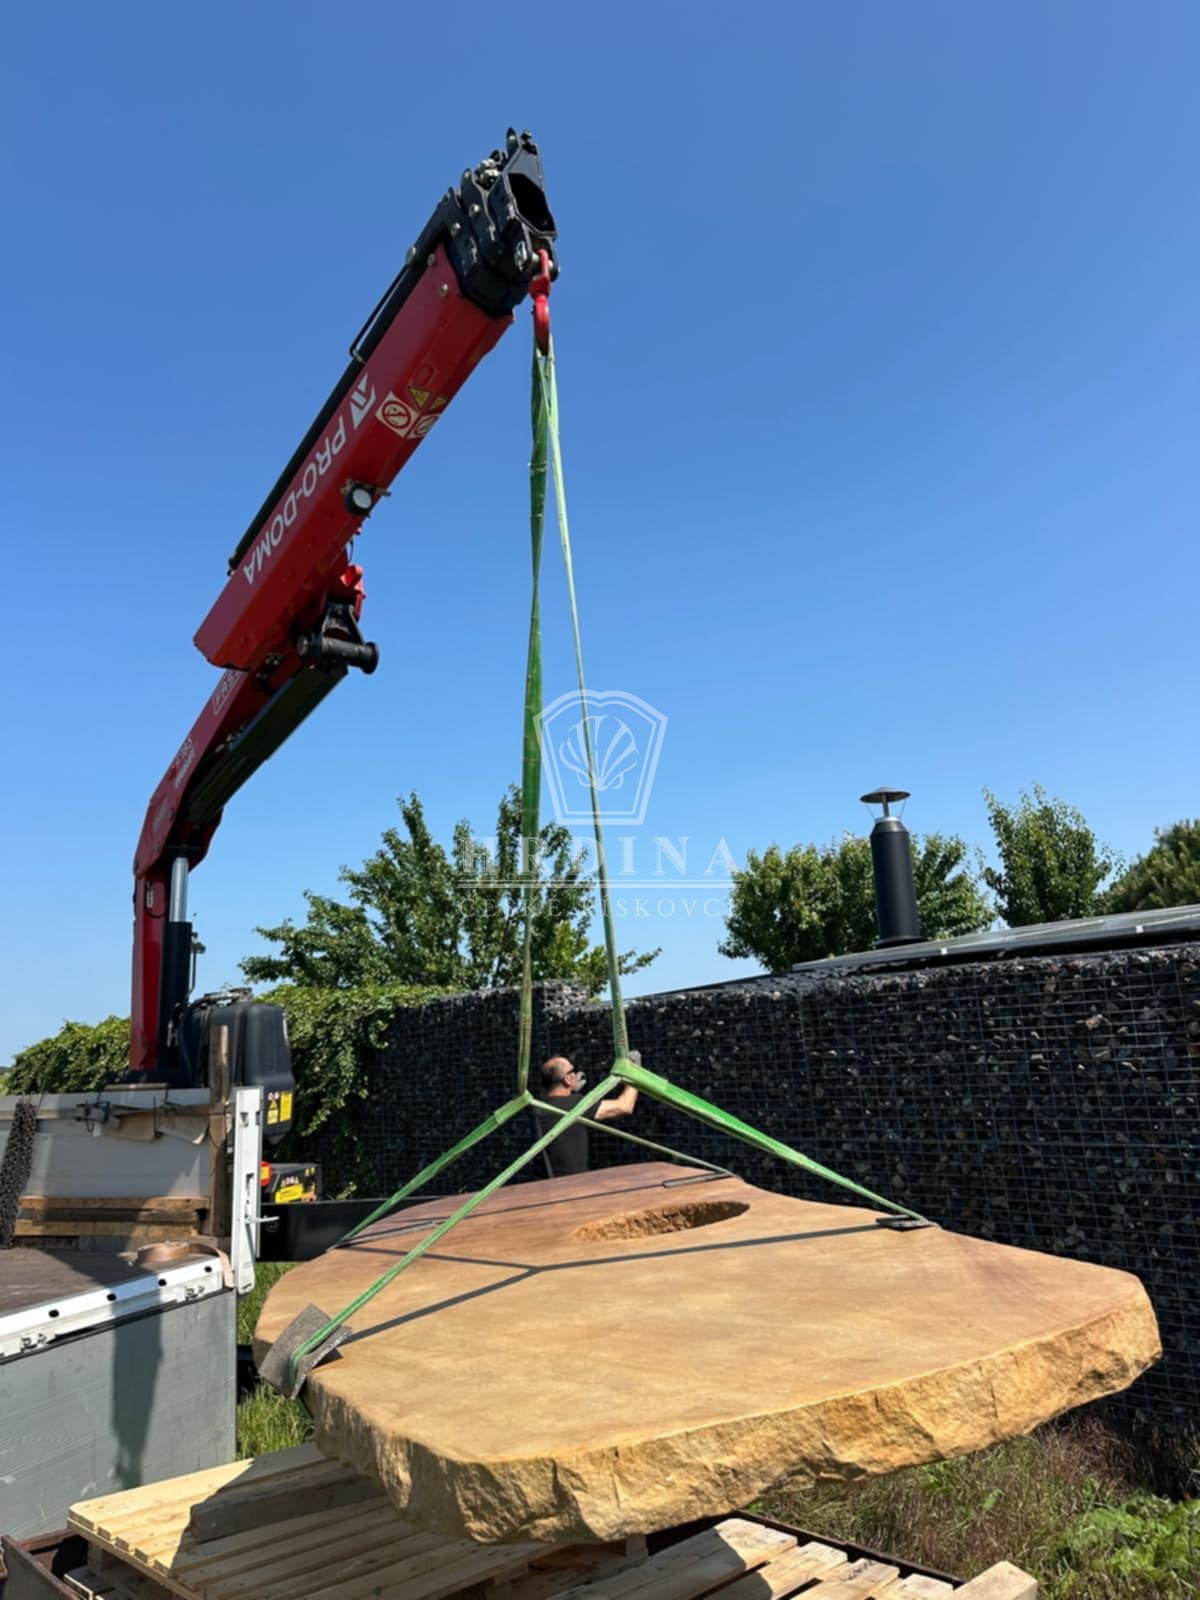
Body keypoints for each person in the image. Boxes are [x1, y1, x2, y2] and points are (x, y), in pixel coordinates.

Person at [534, 1051, 640, 1178]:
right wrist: (634, 1072)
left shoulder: (538, 1108)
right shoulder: (575, 1105)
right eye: (573, 1071)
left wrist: (570, 1090)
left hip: (547, 1184)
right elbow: (625, 1106)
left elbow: (560, 1103)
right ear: (567, 1079)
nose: (576, 1073)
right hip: (575, 1183)